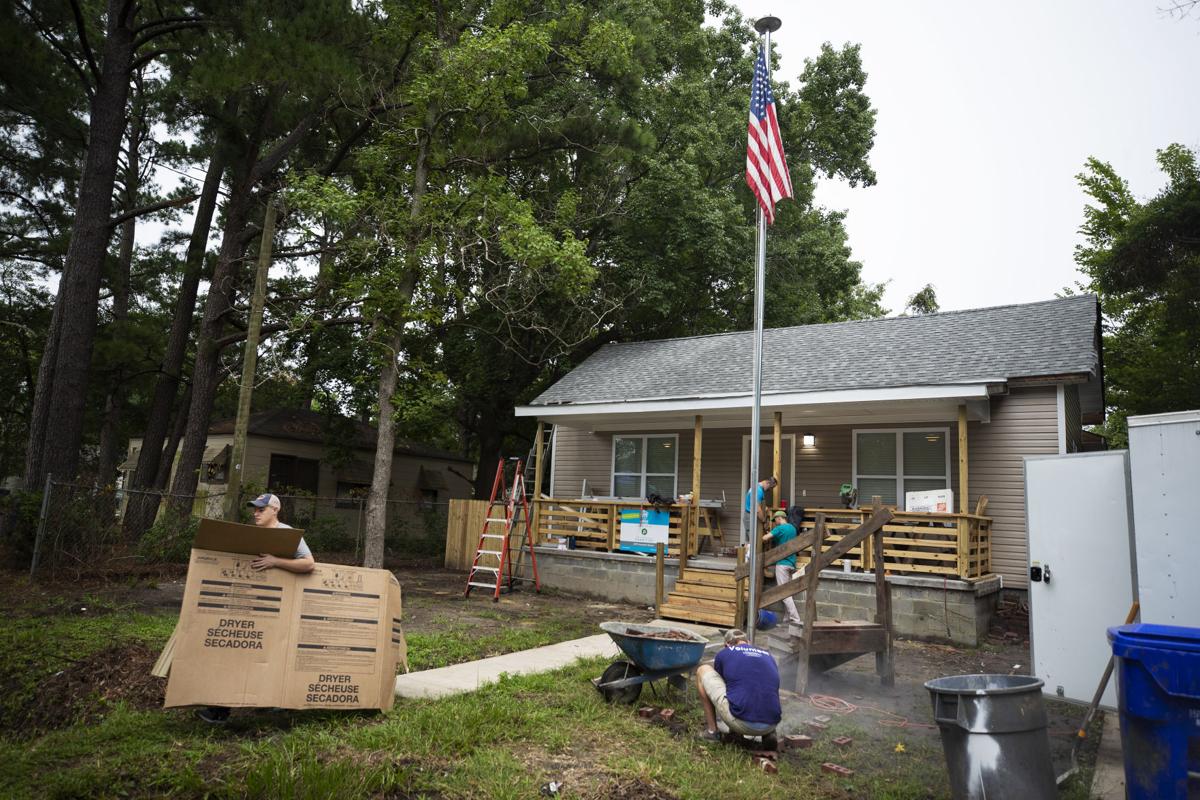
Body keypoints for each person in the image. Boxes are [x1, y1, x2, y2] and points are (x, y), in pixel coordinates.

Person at [197, 493, 314, 724]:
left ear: (275, 510)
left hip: (276, 605)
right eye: (255, 509)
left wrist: (276, 562)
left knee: (271, 655)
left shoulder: (287, 534)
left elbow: (309, 563)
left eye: (261, 509)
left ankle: (274, 703)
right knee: (235, 651)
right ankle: (219, 709)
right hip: (247, 602)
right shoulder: (251, 534)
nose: (256, 513)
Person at [696, 629, 781, 747]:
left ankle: (712, 732)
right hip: (772, 723)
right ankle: (769, 734)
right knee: (763, 683)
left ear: (726, 644)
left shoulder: (725, 653)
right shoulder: (769, 656)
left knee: (702, 670)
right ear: (749, 642)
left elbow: (724, 684)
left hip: (741, 722)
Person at [763, 510, 802, 625]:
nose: (775, 523)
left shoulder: (779, 528)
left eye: (775, 520)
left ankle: (796, 619)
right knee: (788, 592)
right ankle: (787, 619)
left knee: (784, 594)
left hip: (782, 563)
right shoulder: (793, 528)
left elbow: (765, 538)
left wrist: (765, 534)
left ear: (779, 518)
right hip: (791, 563)